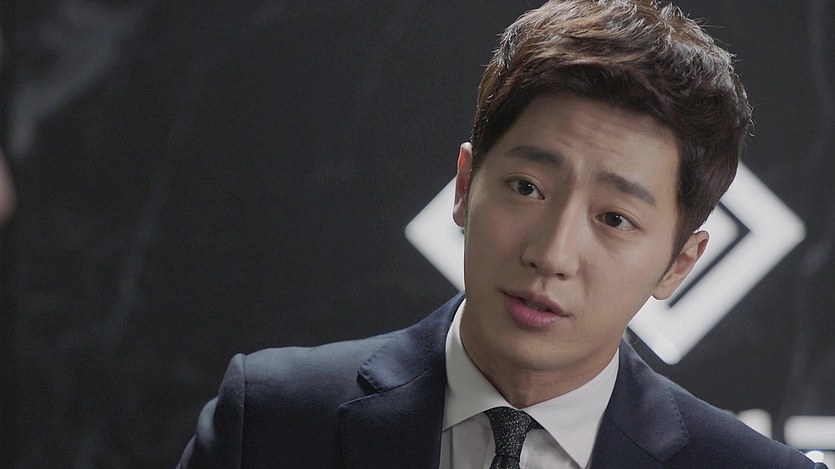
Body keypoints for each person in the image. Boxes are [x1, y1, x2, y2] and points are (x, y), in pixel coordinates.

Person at [178, 1, 826, 467]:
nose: (550, 254)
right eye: (526, 187)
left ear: (679, 264)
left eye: (614, 219)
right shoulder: (272, 420)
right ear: (464, 186)